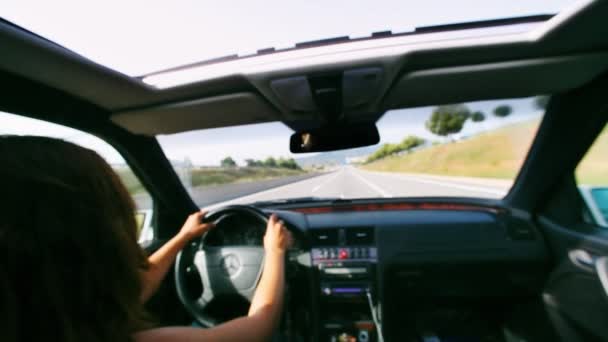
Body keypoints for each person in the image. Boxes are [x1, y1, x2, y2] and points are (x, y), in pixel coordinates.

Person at [0, 135, 292, 342]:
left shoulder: (41, 313)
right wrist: (275, 253)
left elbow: (132, 289)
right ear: (100, 245)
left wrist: (182, 237)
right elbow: (259, 327)